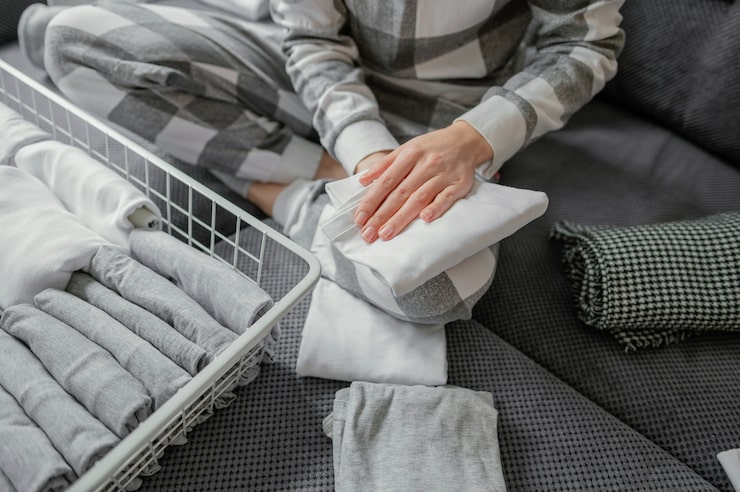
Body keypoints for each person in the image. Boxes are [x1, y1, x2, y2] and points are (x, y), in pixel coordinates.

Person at [23, 0, 624, 242]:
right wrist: (364, 158)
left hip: (447, 119)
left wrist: (471, 141)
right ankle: (315, 185)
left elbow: (584, 44)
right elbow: (312, 40)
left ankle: (279, 192)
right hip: (314, 75)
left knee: (433, 293)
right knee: (69, 38)